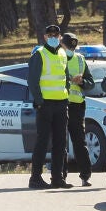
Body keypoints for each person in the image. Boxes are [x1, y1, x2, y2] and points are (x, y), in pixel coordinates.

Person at [27, 24, 73, 189]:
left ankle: (57, 178)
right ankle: (35, 178)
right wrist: (39, 101)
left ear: (60, 36)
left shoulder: (62, 53)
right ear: (45, 37)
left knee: (60, 143)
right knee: (42, 141)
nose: (53, 37)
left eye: (56, 34)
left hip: (61, 104)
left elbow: (65, 77)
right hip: (45, 105)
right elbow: (32, 81)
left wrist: (66, 94)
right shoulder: (39, 54)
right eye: (50, 34)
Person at [60, 32, 94, 187]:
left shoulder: (80, 59)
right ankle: (61, 176)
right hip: (60, 103)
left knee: (79, 141)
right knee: (61, 142)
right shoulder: (57, 58)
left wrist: (82, 82)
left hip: (77, 105)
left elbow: (90, 82)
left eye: (72, 48)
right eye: (68, 47)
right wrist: (69, 80)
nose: (70, 50)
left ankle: (85, 176)